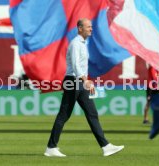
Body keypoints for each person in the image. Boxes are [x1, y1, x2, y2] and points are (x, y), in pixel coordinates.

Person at [44, 18, 124, 157]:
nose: (91, 29)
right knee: (64, 114)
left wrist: (85, 81)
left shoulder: (82, 43)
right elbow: (75, 65)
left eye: (91, 27)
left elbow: (80, 66)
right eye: (88, 27)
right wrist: (85, 81)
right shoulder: (76, 44)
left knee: (92, 113)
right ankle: (51, 147)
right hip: (73, 81)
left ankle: (106, 146)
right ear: (80, 28)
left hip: (79, 82)